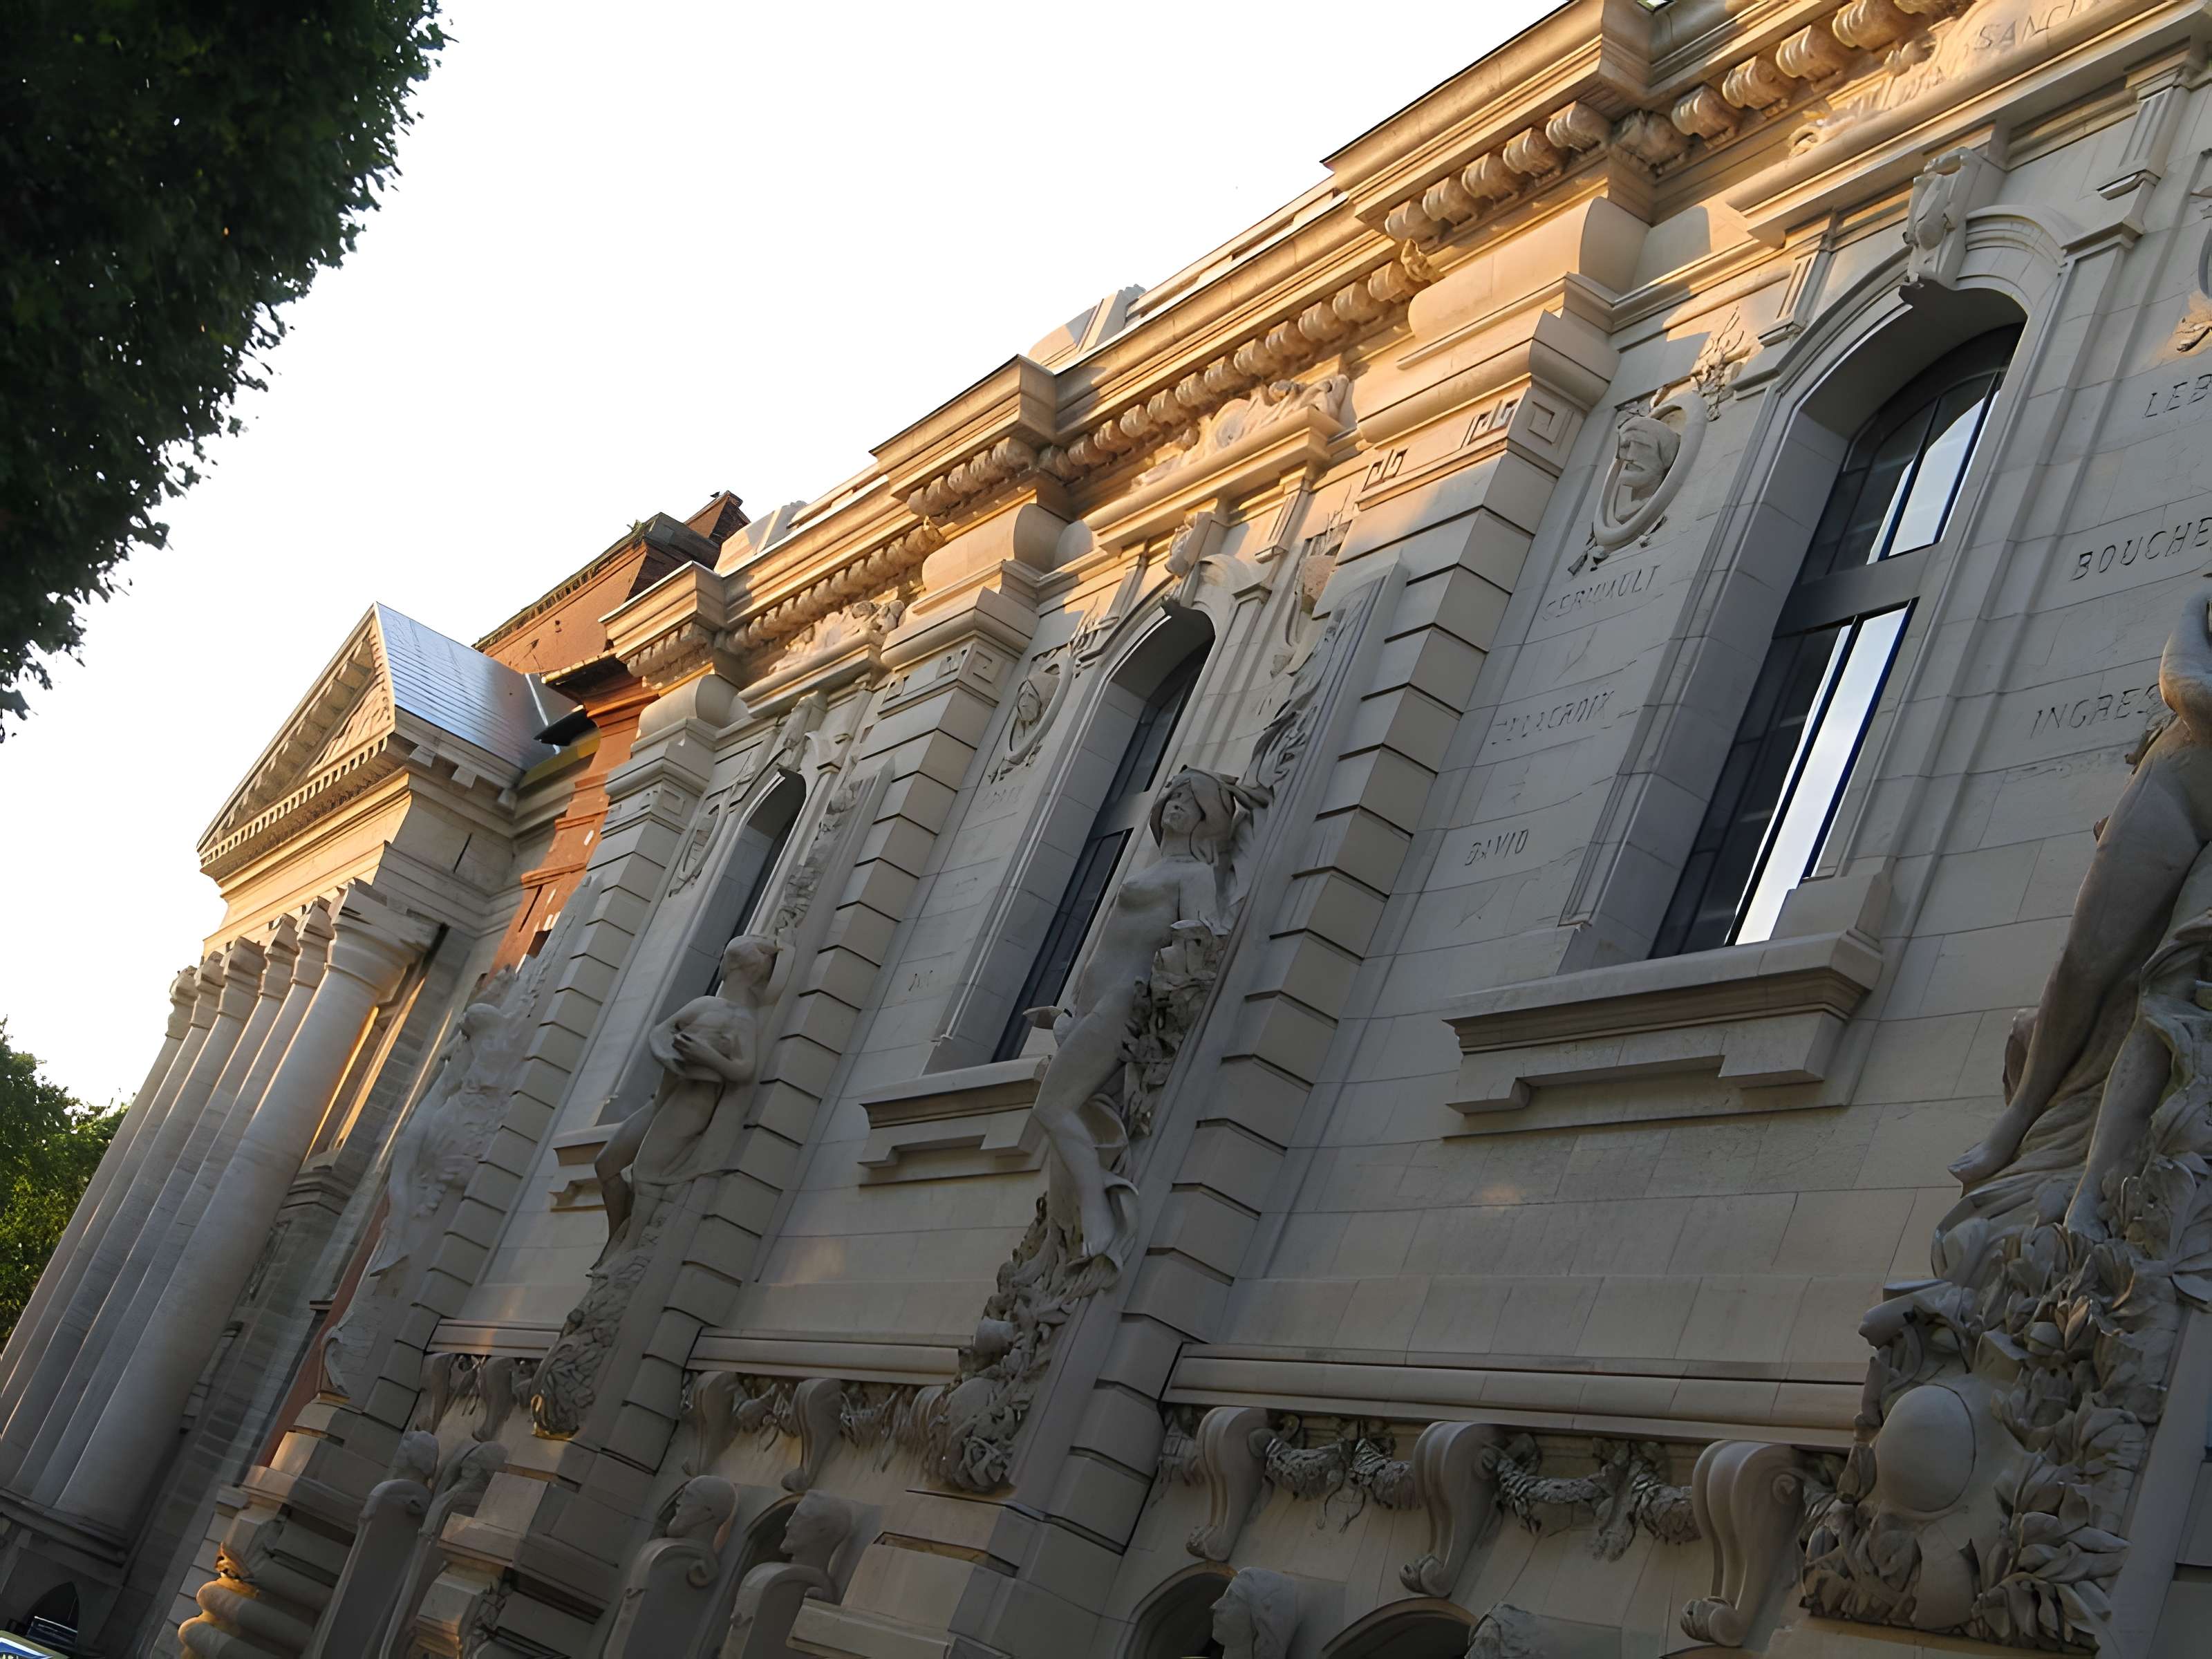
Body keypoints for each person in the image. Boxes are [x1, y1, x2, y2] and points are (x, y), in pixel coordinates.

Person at [1951, 574, 2212, 1190]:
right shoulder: (2203, 609)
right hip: (2179, 789)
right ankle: (2019, 1118)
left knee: (2163, 997)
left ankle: (2102, 1180)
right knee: (2087, 961)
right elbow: (2189, 690)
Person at [1024, 769, 1262, 1265]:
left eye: (1189, 800)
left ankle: (1100, 1217)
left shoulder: (1194, 875)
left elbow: (1200, 938)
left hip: (1122, 1004)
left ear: (1205, 817)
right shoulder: (1156, 868)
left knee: (1052, 1107)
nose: (1176, 803)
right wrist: (1065, 1013)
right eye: (1172, 795)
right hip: (1089, 1008)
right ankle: (1064, 1240)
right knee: (1074, 1123)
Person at [596, 935, 778, 1257]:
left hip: (689, 1105)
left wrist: (707, 1059)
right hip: (660, 1100)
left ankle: (630, 1249)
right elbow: (659, 1032)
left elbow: (744, 1070)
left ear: (731, 966)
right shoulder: (705, 1005)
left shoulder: (742, 1020)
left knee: (647, 1176)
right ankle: (617, 1237)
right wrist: (674, 1060)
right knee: (606, 1165)